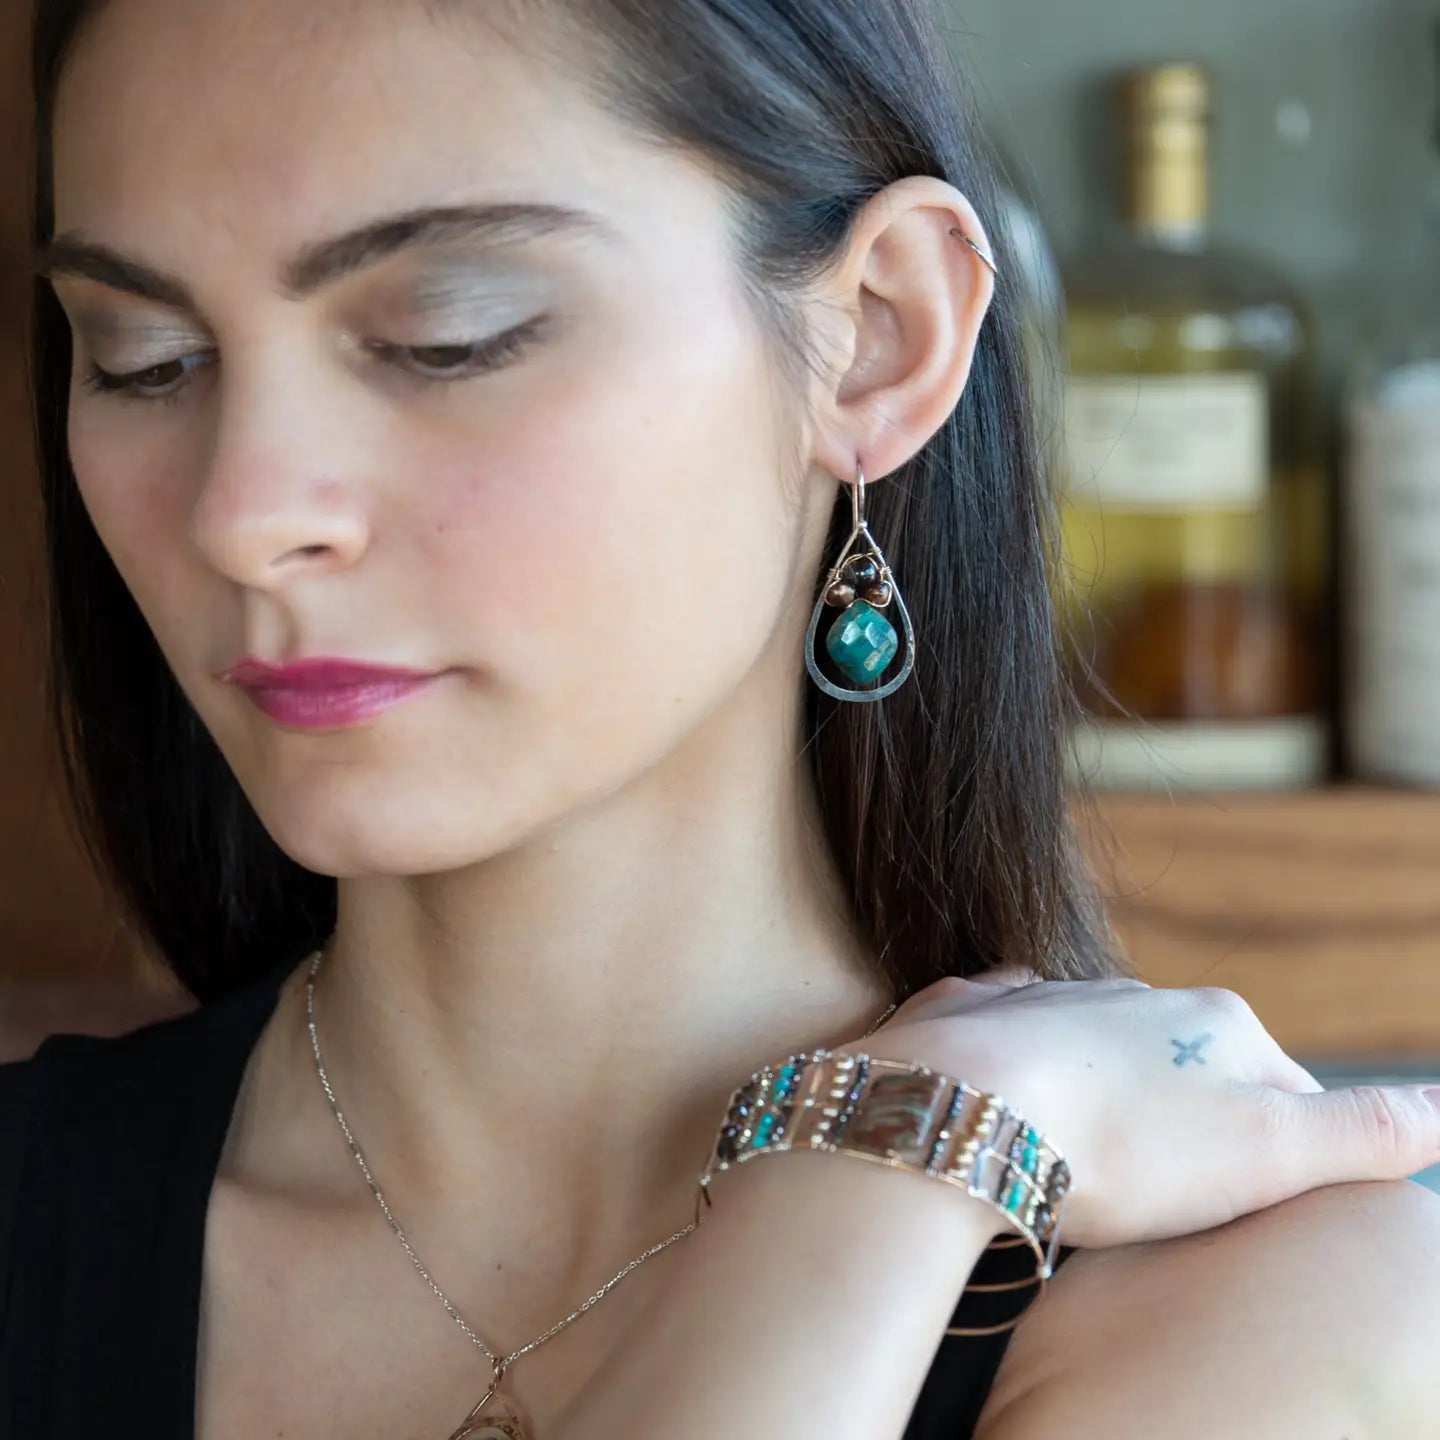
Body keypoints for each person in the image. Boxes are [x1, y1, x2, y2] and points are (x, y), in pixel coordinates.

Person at [3, 0, 1439, 1436]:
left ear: (877, 340)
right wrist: (887, 1167)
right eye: (146, 358)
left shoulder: (1281, 1319)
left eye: (447, 335)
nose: (244, 514)